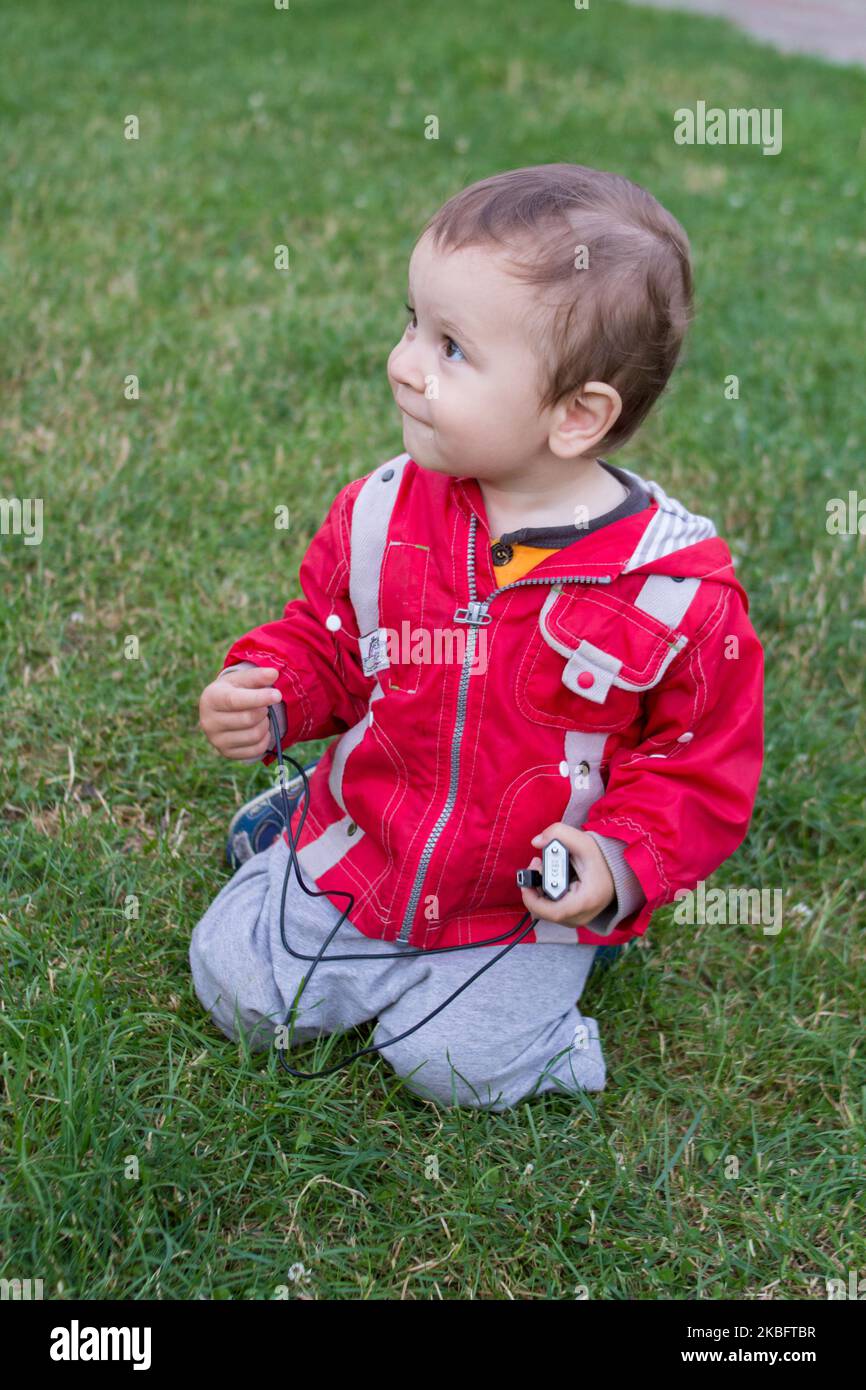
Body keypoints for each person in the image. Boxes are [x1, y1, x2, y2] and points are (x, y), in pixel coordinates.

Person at [190, 163, 764, 1111]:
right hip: (376, 842)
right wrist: (274, 688)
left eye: (452, 347)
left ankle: (555, 1006)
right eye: (412, 322)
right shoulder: (382, 514)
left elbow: (697, 765)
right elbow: (331, 640)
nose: (405, 362)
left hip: (517, 906)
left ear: (577, 416)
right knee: (243, 996)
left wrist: (615, 862)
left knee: (456, 1067)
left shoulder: (674, 596)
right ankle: (292, 833)